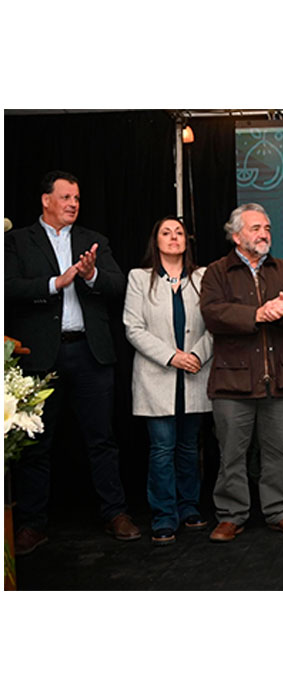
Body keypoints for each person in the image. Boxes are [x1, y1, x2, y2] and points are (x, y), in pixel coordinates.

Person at [4, 170, 139, 555]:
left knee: (102, 438)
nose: (73, 204)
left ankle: (115, 512)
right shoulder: (17, 241)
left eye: (77, 198)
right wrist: (55, 283)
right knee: (37, 444)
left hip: (89, 352)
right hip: (40, 355)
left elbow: (119, 285)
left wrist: (91, 275)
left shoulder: (94, 241)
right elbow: (7, 287)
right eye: (65, 197)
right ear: (46, 200)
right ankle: (32, 524)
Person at [199, 203, 283, 541]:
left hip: (279, 379)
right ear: (236, 236)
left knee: (277, 451)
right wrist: (257, 314)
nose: (264, 234)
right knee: (232, 454)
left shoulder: (282, 268)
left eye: (267, 228)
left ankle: (279, 511)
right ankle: (231, 515)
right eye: (256, 228)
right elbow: (212, 313)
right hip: (233, 381)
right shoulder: (217, 272)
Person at [123, 217, 213, 546]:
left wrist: (197, 355)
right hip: (156, 376)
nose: (174, 237)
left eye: (179, 233)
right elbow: (133, 328)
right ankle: (164, 515)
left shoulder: (203, 278)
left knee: (189, 447)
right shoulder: (139, 278)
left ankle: (189, 506)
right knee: (162, 449)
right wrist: (171, 356)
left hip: (195, 373)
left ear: (187, 241)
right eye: (166, 232)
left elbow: (215, 325)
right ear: (156, 241)